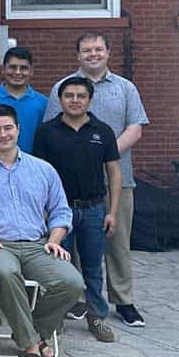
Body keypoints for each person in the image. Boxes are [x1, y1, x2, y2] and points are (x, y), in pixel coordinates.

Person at [0, 105, 82, 357]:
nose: (3, 134)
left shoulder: (44, 170)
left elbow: (61, 211)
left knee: (72, 282)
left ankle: (31, 335)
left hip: (39, 244)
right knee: (5, 273)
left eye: (8, 128)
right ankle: (31, 348)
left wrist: (55, 238)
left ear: (18, 129)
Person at [43, 33, 149, 328]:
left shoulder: (125, 88)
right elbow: (53, 130)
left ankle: (123, 300)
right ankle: (76, 298)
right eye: (86, 50)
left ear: (108, 52)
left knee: (117, 241)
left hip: (118, 178)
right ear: (77, 55)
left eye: (98, 49)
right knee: (72, 242)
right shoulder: (62, 88)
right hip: (71, 183)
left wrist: (103, 150)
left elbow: (136, 127)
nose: (93, 54)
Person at [34, 77, 121, 343]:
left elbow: (114, 173)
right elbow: (39, 175)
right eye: (69, 95)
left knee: (94, 266)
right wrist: (44, 212)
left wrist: (112, 212)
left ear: (89, 99)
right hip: (60, 212)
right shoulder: (47, 131)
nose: (74, 100)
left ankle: (96, 317)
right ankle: (56, 316)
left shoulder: (102, 131)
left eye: (80, 96)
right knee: (58, 267)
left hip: (94, 209)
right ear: (60, 100)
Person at [0, 46, 46, 153]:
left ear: (32, 71)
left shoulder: (43, 103)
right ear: (3, 70)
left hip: (32, 165)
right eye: (13, 67)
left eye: (23, 68)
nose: (18, 72)